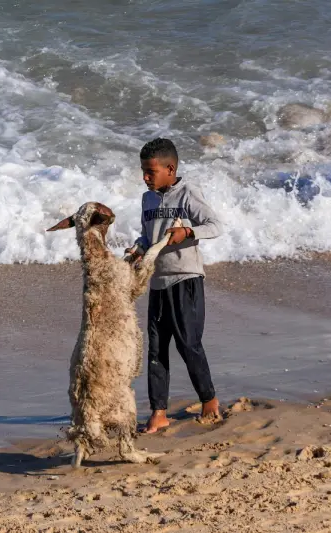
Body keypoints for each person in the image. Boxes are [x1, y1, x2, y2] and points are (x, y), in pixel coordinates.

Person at [125, 138, 223, 434]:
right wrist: (137, 249)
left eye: (150, 172)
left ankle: (210, 400)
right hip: (157, 282)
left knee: (187, 343)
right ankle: (158, 413)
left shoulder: (188, 193)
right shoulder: (148, 199)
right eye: (143, 171)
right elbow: (148, 236)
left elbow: (216, 225)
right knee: (156, 349)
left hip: (186, 278)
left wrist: (187, 231)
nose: (145, 177)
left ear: (170, 168)